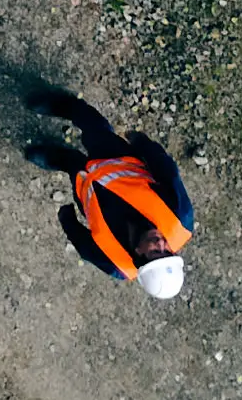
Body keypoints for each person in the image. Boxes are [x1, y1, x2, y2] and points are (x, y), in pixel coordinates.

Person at [28, 86, 192, 300]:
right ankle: (66, 106)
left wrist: (68, 219)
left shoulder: (118, 265)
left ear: (140, 255)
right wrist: (142, 144)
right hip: (117, 158)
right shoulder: (180, 218)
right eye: (168, 252)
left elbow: (86, 248)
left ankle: (60, 157)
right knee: (95, 128)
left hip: (88, 189)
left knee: (73, 166)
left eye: (156, 252)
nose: (162, 244)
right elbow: (167, 170)